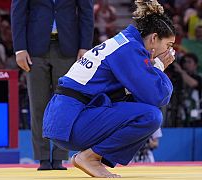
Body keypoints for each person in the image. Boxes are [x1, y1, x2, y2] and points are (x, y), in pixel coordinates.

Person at [42, 0, 175, 178]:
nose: (170, 53)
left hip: (66, 119)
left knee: (140, 105)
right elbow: (158, 96)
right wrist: (157, 68)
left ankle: (90, 156)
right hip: (72, 122)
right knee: (151, 116)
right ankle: (90, 157)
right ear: (153, 38)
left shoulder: (124, 43)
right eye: (168, 46)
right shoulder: (129, 49)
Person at [11, 0, 94, 170]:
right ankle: (42, 158)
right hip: (34, 49)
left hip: (68, 48)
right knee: (38, 104)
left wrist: (85, 46)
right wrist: (19, 48)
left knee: (64, 105)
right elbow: (18, 13)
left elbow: (86, 12)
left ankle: (59, 157)